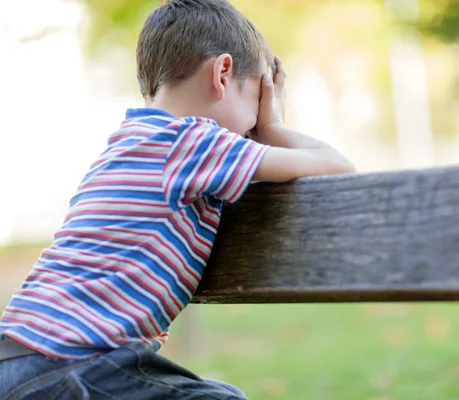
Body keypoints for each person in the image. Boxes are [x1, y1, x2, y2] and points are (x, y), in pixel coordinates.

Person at [0, 0, 355, 398]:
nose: (253, 124)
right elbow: (337, 166)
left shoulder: (131, 143)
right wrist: (272, 126)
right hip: (74, 359)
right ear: (222, 74)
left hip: (24, 358)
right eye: (258, 100)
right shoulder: (192, 141)